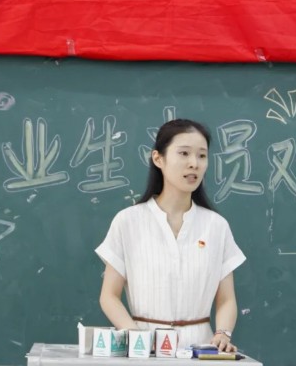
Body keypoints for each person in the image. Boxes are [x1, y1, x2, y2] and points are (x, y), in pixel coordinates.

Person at [95, 118, 246, 352]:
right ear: (158, 159)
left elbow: (226, 299)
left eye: (202, 156)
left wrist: (223, 334)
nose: (194, 164)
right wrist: (136, 337)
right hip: (143, 350)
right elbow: (109, 296)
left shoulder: (216, 226)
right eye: (184, 153)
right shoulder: (128, 221)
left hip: (200, 349)